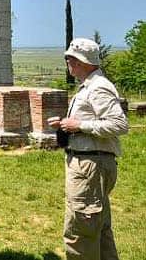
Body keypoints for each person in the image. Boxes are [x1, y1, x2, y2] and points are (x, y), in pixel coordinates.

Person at [49, 38, 129, 260]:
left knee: (80, 232)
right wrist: (67, 124)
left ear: (83, 61)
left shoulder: (98, 87)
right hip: (90, 165)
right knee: (98, 228)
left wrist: (80, 125)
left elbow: (119, 124)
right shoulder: (89, 86)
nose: (67, 61)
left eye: (70, 58)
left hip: (89, 167)